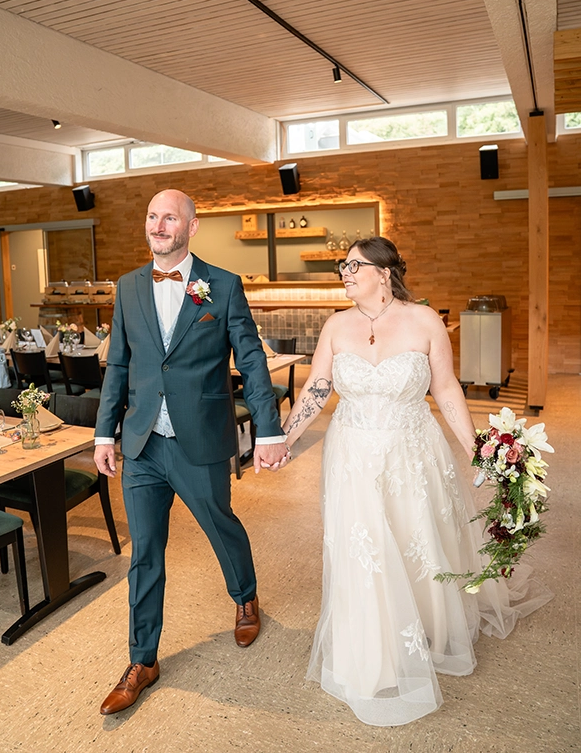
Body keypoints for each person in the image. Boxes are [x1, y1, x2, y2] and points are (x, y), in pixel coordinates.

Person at [282, 236, 552, 726]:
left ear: (384, 273)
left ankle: (427, 623)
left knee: (414, 535)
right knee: (364, 542)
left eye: (353, 265)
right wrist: (284, 437)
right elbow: (318, 388)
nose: (343, 272)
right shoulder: (336, 325)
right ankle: (374, 641)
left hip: (412, 449)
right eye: (342, 266)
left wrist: (477, 449)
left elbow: (444, 386)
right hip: (352, 451)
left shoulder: (424, 320)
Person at [94, 189, 289, 715]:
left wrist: (268, 431)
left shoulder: (221, 286)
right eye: (153, 216)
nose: (159, 225)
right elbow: (118, 363)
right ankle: (143, 659)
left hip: (197, 439)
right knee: (145, 554)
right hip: (140, 444)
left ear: (191, 227)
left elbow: (249, 360)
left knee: (220, 524)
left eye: (170, 218)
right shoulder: (128, 286)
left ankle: (245, 597)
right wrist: (103, 433)